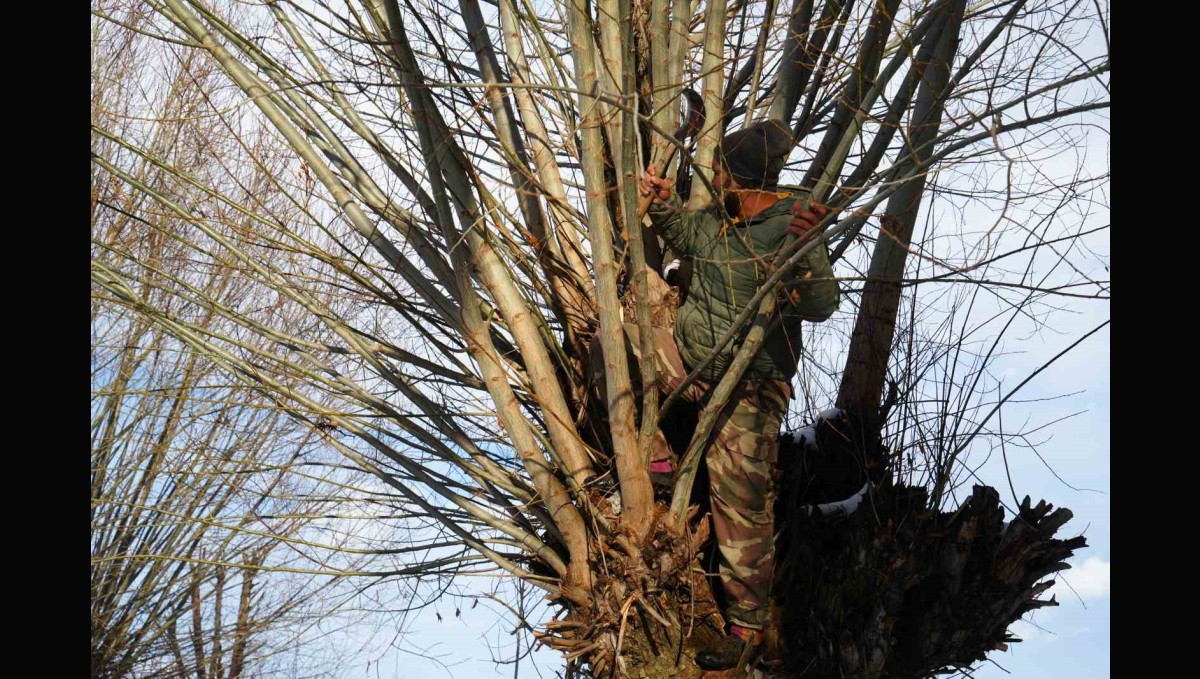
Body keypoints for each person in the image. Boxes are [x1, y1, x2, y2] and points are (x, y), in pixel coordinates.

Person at [634, 119, 840, 670]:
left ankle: (746, 627)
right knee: (626, 332)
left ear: (735, 173)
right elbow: (686, 234)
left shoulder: (791, 223)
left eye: (720, 165)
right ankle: (658, 460)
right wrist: (660, 201)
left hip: (750, 387)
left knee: (740, 506)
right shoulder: (719, 219)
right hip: (691, 366)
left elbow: (821, 305)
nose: (712, 172)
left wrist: (808, 248)